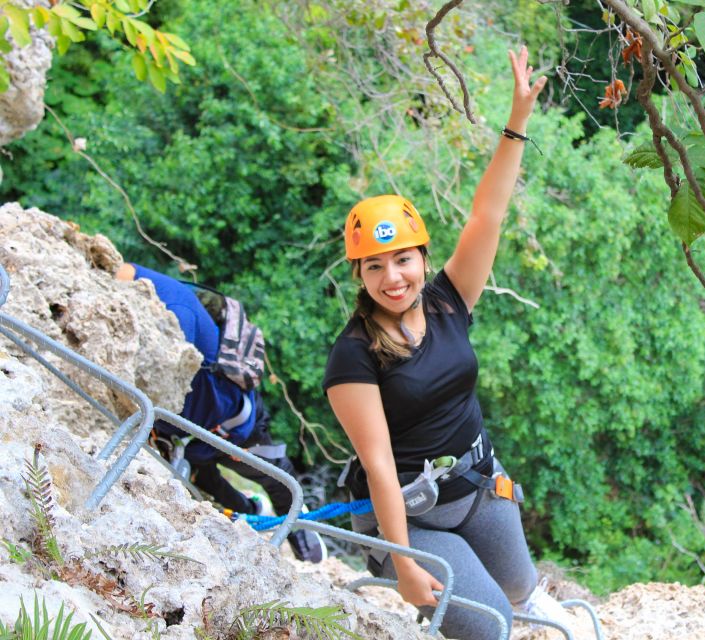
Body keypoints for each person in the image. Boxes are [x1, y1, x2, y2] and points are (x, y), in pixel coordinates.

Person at [322, 47, 569, 639]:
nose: (393, 278)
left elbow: (487, 216)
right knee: (489, 625)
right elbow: (379, 465)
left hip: (479, 483)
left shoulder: (448, 300)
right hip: (405, 514)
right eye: (375, 266)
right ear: (358, 274)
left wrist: (517, 122)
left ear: (422, 258)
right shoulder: (352, 355)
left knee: (518, 590)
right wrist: (403, 563)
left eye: (403, 260)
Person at [116, 262, 325, 563]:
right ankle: (253, 511)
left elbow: (164, 372)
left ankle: (300, 530)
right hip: (187, 435)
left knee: (273, 474)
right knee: (210, 486)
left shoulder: (174, 311)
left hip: (230, 425)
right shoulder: (139, 279)